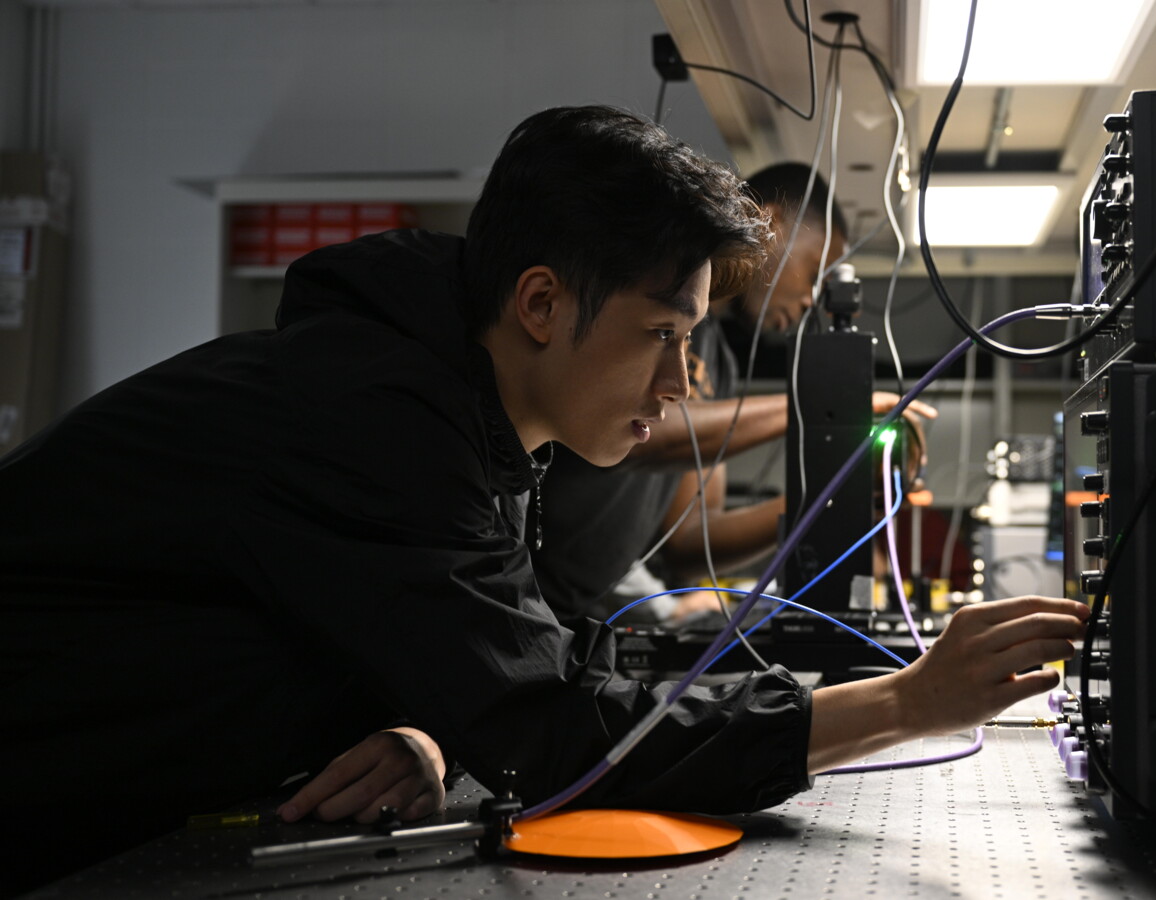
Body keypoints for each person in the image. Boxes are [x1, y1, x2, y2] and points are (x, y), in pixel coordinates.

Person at [0, 106, 1087, 894]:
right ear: (538, 303)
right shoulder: (371, 416)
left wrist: (433, 721)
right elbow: (555, 730)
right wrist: (902, 703)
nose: (678, 382)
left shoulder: (461, 424)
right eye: (661, 336)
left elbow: (476, 654)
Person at [534, 163, 935, 625]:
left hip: (581, 621)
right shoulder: (647, 300)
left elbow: (692, 542)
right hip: (525, 590)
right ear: (770, 224)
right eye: (813, 271)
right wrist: (821, 412)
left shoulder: (717, 365)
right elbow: (634, 437)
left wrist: (830, 495)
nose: (810, 300)